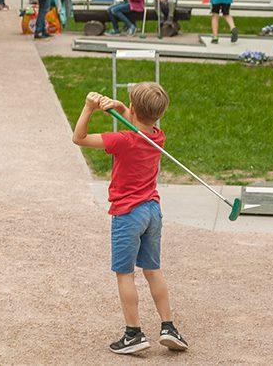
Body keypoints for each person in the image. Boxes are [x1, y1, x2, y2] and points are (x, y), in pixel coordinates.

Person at [71, 84, 188, 355]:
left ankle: (133, 333)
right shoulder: (157, 136)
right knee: (153, 270)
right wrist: (122, 108)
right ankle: (169, 327)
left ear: (133, 109)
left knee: (125, 275)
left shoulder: (122, 140)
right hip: (151, 212)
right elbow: (139, 122)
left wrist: (89, 107)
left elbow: (79, 138)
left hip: (127, 214)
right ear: (159, 114)